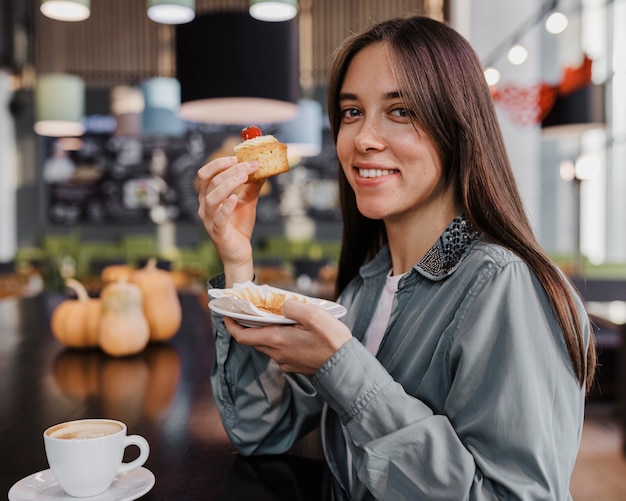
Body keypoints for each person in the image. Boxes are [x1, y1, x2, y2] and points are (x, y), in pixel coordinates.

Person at [195, 15, 596, 500]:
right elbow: (259, 432)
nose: (363, 138)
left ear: (457, 125)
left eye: (401, 110)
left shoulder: (504, 285)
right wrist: (238, 264)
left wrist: (342, 369)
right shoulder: (368, 284)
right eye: (351, 112)